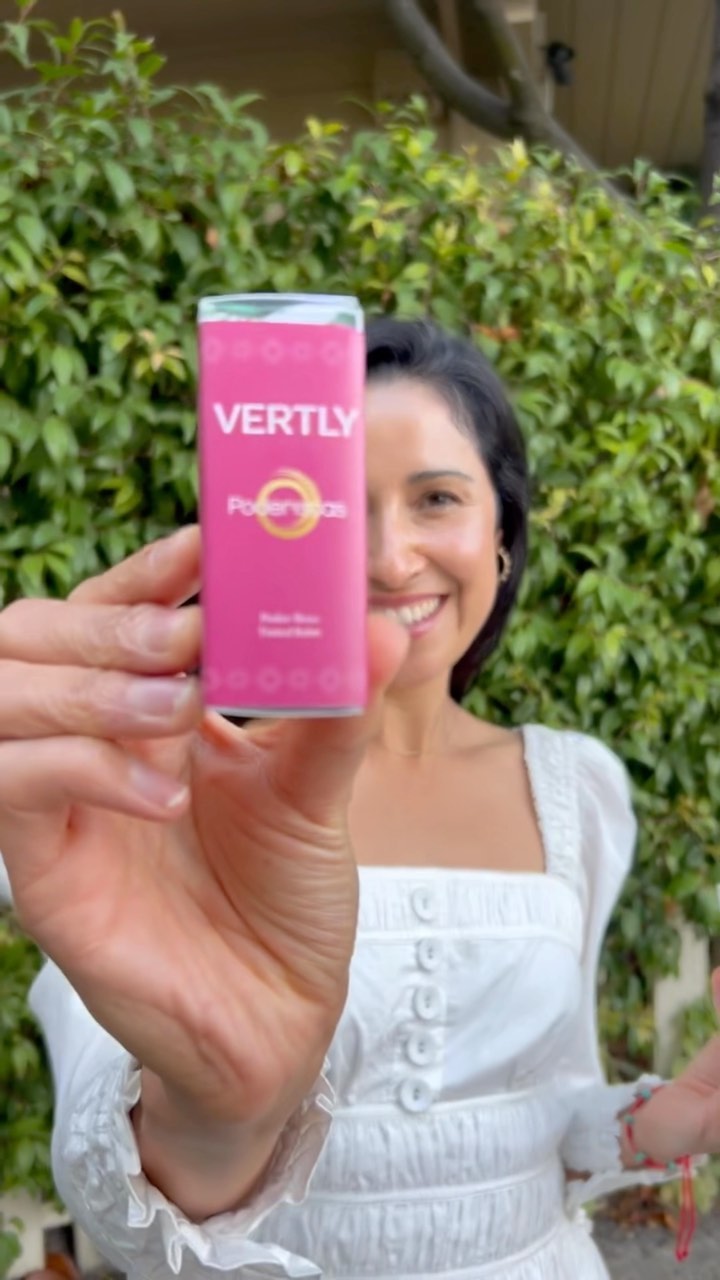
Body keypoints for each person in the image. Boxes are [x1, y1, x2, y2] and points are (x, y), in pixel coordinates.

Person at [1, 317, 718, 1280]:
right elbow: (121, 1205)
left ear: (502, 536)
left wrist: (657, 1122)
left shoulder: (574, 789)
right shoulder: (169, 797)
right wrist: (220, 1111)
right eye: (337, 505)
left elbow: (545, 1109)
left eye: (437, 499)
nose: (388, 558)